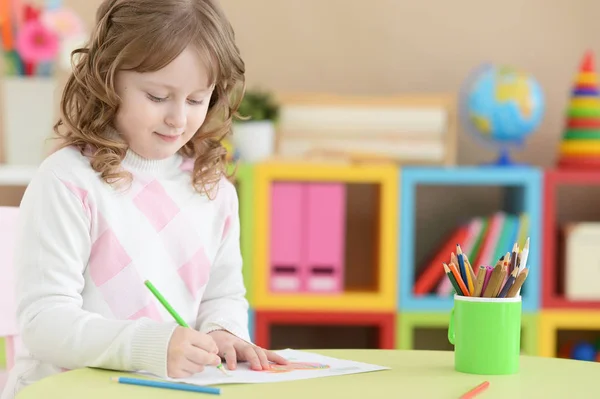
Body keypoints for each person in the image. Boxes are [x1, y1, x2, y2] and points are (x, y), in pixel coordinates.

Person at [1, 0, 288, 397]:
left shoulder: (212, 187)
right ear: (107, 79)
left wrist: (224, 332)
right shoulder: (67, 181)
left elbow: (222, 295)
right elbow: (44, 323)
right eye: (157, 96)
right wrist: (150, 344)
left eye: (195, 100)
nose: (178, 119)